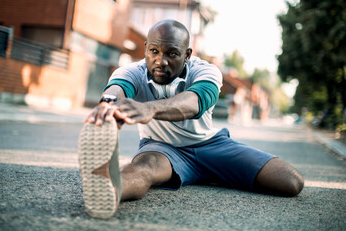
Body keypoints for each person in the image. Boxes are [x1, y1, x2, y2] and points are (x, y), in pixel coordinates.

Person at [78, 19, 304, 219]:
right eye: (154, 51)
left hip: (212, 146)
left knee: (290, 182)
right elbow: (116, 91)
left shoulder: (207, 72)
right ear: (145, 48)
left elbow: (193, 103)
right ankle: (107, 189)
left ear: (187, 54)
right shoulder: (131, 71)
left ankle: (213, 172)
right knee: (143, 168)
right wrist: (108, 107)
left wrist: (151, 109)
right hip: (162, 149)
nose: (161, 60)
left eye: (171, 53)